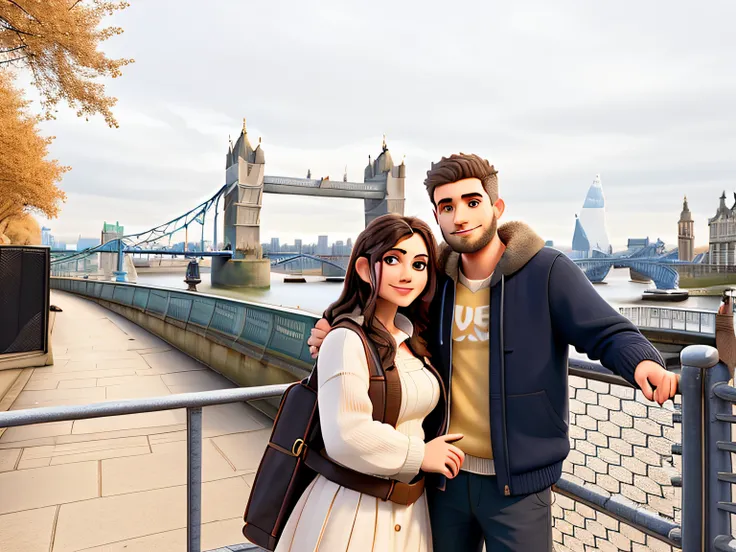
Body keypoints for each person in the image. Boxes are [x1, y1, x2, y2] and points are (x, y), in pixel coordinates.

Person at [308, 154, 679, 552]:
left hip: (518, 484)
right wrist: (338, 325)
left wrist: (642, 362)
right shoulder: (434, 280)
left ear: (496, 208)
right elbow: (385, 305)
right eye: (447, 207)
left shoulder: (546, 271)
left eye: (472, 202)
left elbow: (606, 331)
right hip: (441, 476)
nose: (460, 216)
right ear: (437, 216)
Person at [275, 213, 465, 552]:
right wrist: (422, 454)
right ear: (365, 269)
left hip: (410, 514)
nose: (408, 274)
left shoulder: (412, 339)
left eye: (420, 265)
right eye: (393, 259)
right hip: (351, 515)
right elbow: (345, 435)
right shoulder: (346, 339)